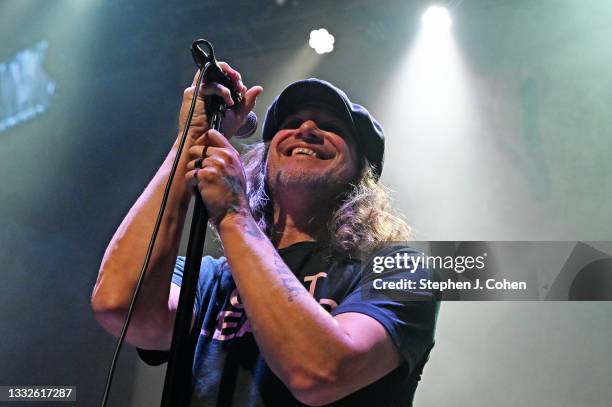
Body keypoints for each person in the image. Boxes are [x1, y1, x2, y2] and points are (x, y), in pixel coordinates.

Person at [92, 62, 439, 406]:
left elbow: (320, 372)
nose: (306, 129)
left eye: (331, 126)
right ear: (265, 158)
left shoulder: (402, 269)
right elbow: (118, 305)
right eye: (290, 124)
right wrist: (189, 143)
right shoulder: (210, 278)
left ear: (361, 173)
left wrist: (233, 213)